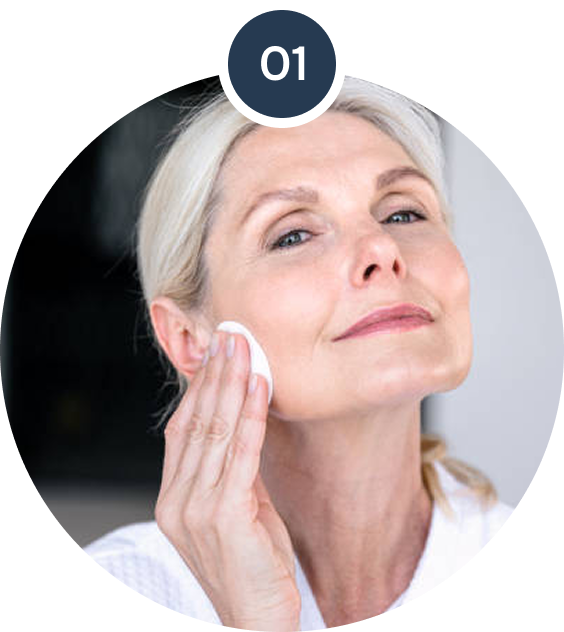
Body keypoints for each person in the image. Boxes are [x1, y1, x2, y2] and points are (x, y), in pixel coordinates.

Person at [84, 77, 514, 629]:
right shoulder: (134, 579)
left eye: (403, 213)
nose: (382, 248)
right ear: (189, 340)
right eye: (293, 235)